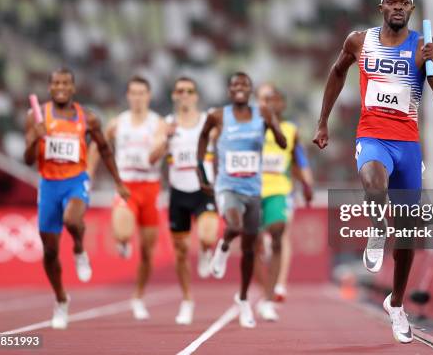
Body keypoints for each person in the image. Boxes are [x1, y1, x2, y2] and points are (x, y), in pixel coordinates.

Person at [313, 0, 433, 343]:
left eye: (404, 2)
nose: (398, 7)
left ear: (411, 9)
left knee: (407, 233)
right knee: (374, 184)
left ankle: (397, 303)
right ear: (381, 8)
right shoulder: (359, 41)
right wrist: (323, 121)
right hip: (372, 137)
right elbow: (337, 72)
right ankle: (378, 227)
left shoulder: (423, 47)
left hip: (407, 144)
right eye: (392, 1)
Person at [24, 68, 129, 329]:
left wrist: (118, 182)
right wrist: (34, 140)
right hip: (49, 185)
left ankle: (79, 248)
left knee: (72, 220)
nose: (61, 87)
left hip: (75, 181)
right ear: (49, 88)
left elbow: (104, 149)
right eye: (56, 83)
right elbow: (28, 160)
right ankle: (61, 300)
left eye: (66, 83)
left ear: (73, 88)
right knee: (49, 251)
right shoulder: (36, 117)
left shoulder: (88, 118)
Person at [196, 72, 286, 328]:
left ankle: (243, 298)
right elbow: (203, 137)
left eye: (244, 85)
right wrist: (199, 169)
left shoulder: (263, 114)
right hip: (228, 187)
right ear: (229, 91)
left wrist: (273, 123)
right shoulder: (218, 116)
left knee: (248, 250)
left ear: (250, 90)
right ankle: (223, 247)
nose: (239, 88)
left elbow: (280, 143)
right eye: (234, 84)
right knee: (233, 225)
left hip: (253, 190)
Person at [87, 76, 163, 320]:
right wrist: (88, 175)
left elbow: (162, 146)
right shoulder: (118, 123)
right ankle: (122, 240)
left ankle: (138, 297)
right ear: (128, 96)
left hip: (150, 187)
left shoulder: (157, 123)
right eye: (134, 92)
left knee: (148, 252)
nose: (138, 97)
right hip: (126, 185)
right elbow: (98, 145)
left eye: (142, 93)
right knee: (122, 231)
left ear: (148, 96)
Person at [149, 76, 219, 325]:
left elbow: (227, 142)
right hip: (178, 193)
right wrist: (166, 139)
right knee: (180, 252)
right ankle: (188, 300)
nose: (185, 95)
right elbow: (152, 158)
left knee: (209, 235)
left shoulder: (208, 121)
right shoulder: (166, 123)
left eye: (190, 90)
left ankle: (206, 249)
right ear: (174, 96)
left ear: (196, 96)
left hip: (204, 191)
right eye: (180, 91)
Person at [254, 84, 313, 321]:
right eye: (263, 99)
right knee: (256, 244)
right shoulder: (250, 129)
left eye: (272, 99)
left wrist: (307, 185)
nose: (267, 104)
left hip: (281, 190)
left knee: (281, 231)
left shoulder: (289, 130)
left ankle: (278, 285)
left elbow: (300, 161)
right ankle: (265, 286)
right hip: (253, 192)